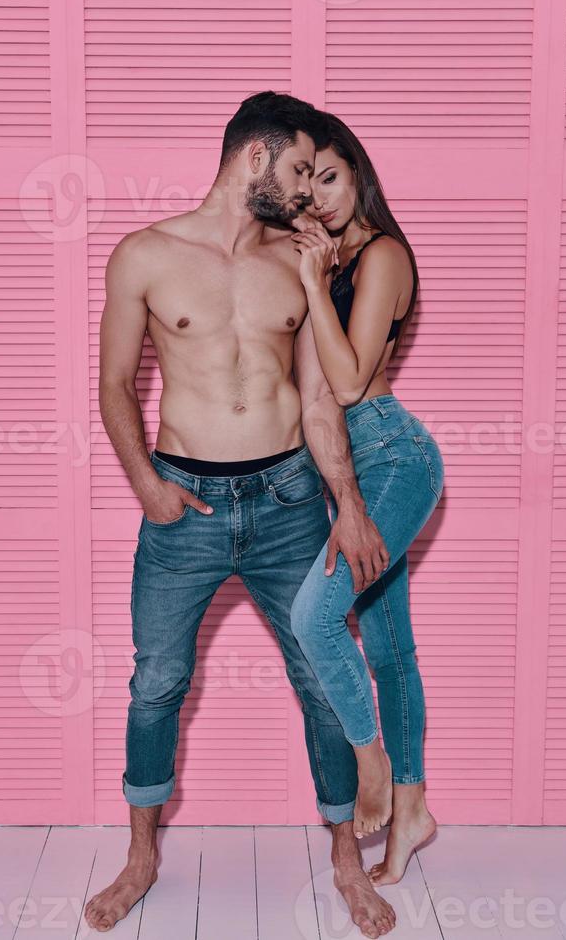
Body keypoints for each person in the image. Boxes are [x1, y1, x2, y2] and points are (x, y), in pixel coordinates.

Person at [88, 92, 396, 939]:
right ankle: (142, 855)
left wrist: (351, 507)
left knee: (323, 680)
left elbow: (323, 402)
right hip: (183, 504)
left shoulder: (298, 263)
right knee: (156, 682)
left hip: (290, 501)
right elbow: (115, 383)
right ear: (254, 159)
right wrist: (147, 484)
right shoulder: (144, 254)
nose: (308, 191)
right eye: (298, 169)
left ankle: (344, 857)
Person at [288, 112, 445, 887]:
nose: (318, 194)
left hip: (392, 455)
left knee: (314, 617)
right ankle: (413, 813)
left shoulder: (381, 253)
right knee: (386, 646)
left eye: (331, 176)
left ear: (359, 176)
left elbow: (348, 382)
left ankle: (373, 765)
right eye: (305, 180)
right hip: (342, 466)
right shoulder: (324, 257)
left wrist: (314, 284)